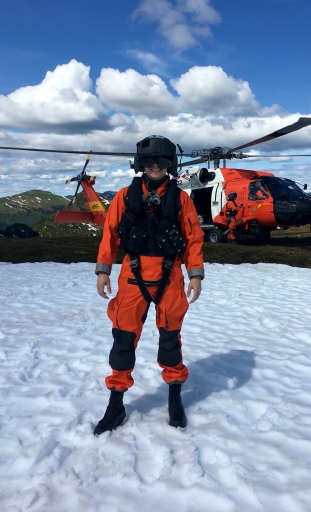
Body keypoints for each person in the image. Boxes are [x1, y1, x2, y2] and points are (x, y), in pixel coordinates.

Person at [94, 135, 204, 435]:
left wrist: (195, 274)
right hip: (132, 275)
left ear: (171, 164)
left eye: (163, 160)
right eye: (151, 161)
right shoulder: (123, 197)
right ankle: (115, 405)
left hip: (170, 276)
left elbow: (193, 239)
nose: (156, 166)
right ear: (141, 164)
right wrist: (103, 270)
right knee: (123, 339)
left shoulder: (181, 200)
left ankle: (174, 397)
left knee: (170, 339)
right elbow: (109, 233)